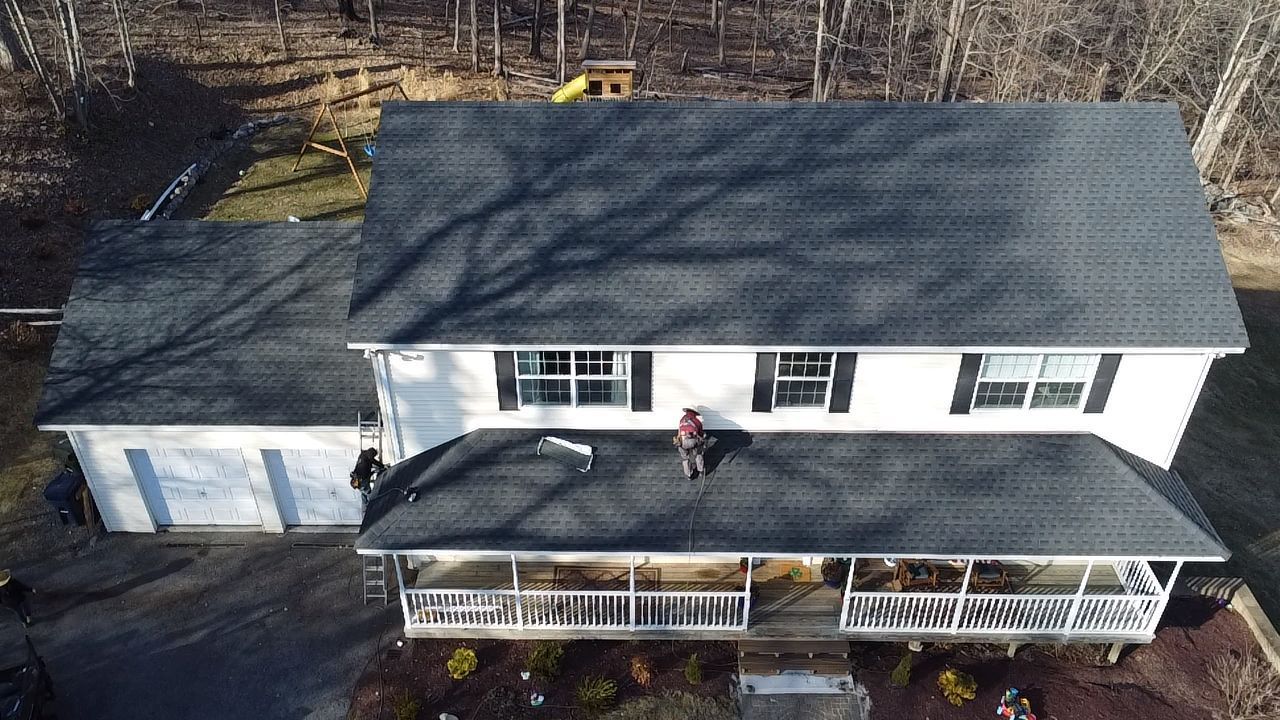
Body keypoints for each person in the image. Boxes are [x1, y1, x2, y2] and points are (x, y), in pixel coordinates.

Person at [675, 408, 707, 480]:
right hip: (693, 441)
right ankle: (701, 470)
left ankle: (688, 474)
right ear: (694, 413)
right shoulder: (696, 421)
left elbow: (679, 432)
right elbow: (701, 434)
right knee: (698, 454)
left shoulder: (682, 420)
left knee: (685, 458)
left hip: (682, 442)